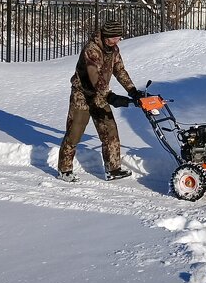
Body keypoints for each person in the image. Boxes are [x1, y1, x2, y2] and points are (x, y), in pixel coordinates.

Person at [57, 18, 144, 182]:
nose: (117, 41)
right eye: (114, 37)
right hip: (82, 95)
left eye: (119, 37)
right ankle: (64, 170)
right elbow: (94, 76)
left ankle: (113, 169)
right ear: (106, 36)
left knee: (110, 131)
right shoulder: (92, 49)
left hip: (99, 95)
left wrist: (133, 91)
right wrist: (110, 96)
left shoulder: (114, 49)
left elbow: (120, 71)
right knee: (74, 132)